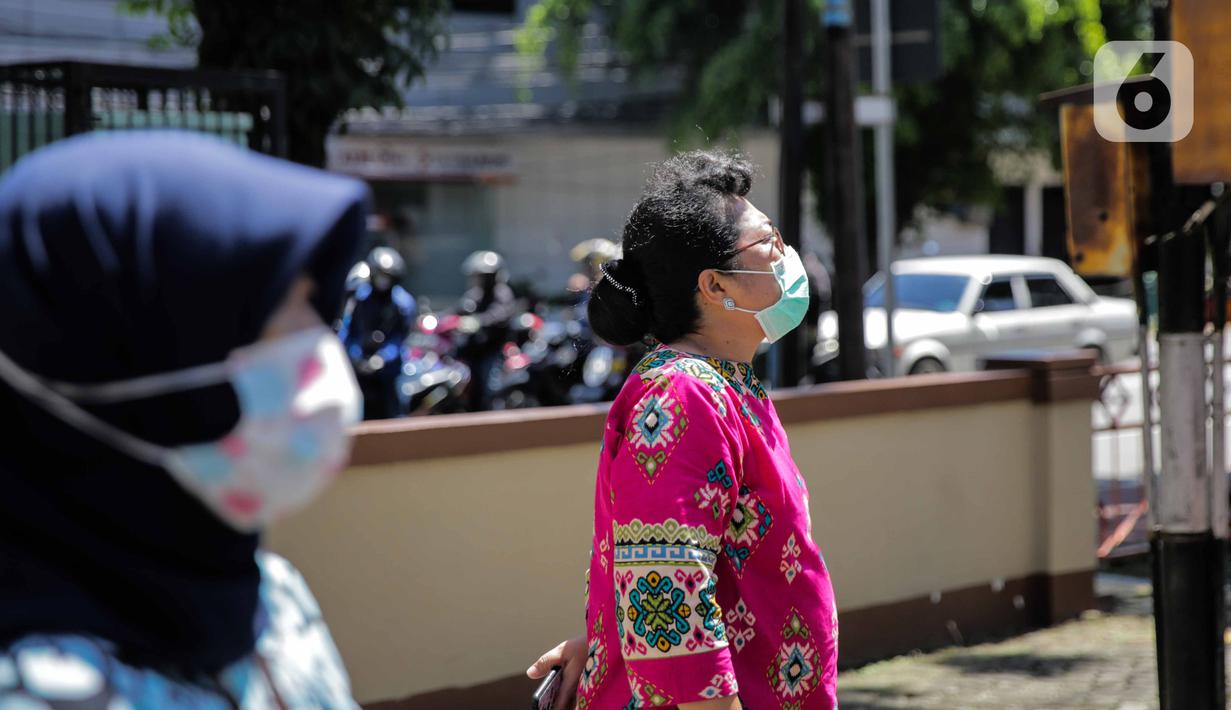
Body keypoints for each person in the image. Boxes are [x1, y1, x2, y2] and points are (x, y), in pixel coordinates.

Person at [0, 132, 368, 708]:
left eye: (312, 307)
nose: (317, 353)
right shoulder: (37, 688)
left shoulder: (273, 599)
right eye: (270, 317)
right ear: (117, 351)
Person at [527, 151, 838, 709]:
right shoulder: (683, 394)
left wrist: (603, 640)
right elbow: (665, 594)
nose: (787, 255)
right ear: (717, 286)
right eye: (768, 241)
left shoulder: (728, 384)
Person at [337, 246, 418, 419]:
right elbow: (348, 331)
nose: (384, 282)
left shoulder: (403, 304)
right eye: (381, 276)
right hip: (358, 372)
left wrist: (382, 358)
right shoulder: (359, 297)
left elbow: (400, 339)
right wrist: (356, 357)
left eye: (388, 278)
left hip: (388, 375)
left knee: (393, 419)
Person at [455, 250, 517, 410]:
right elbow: (459, 309)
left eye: (484, 276)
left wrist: (478, 321)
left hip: (493, 350)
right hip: (473, 349)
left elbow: (499, 314)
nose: (480, 280)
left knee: (489, 386)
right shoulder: (475, 295)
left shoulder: (502, 293)